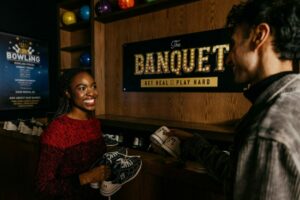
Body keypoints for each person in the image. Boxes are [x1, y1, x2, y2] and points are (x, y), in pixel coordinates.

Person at [170, 0, 300, 199]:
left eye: (232, 44)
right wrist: (195, 144)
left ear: (259, 35)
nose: (228, 59)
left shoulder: (269, 129)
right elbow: (242, 175)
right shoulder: (291, 101)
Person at [36, 68, 110, 199]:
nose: (92, 93)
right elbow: (43, 186)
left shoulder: (94, 122)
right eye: (82, 88)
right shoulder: (57, 129)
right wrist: (86, 177)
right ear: (68, 93)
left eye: (93, 86)